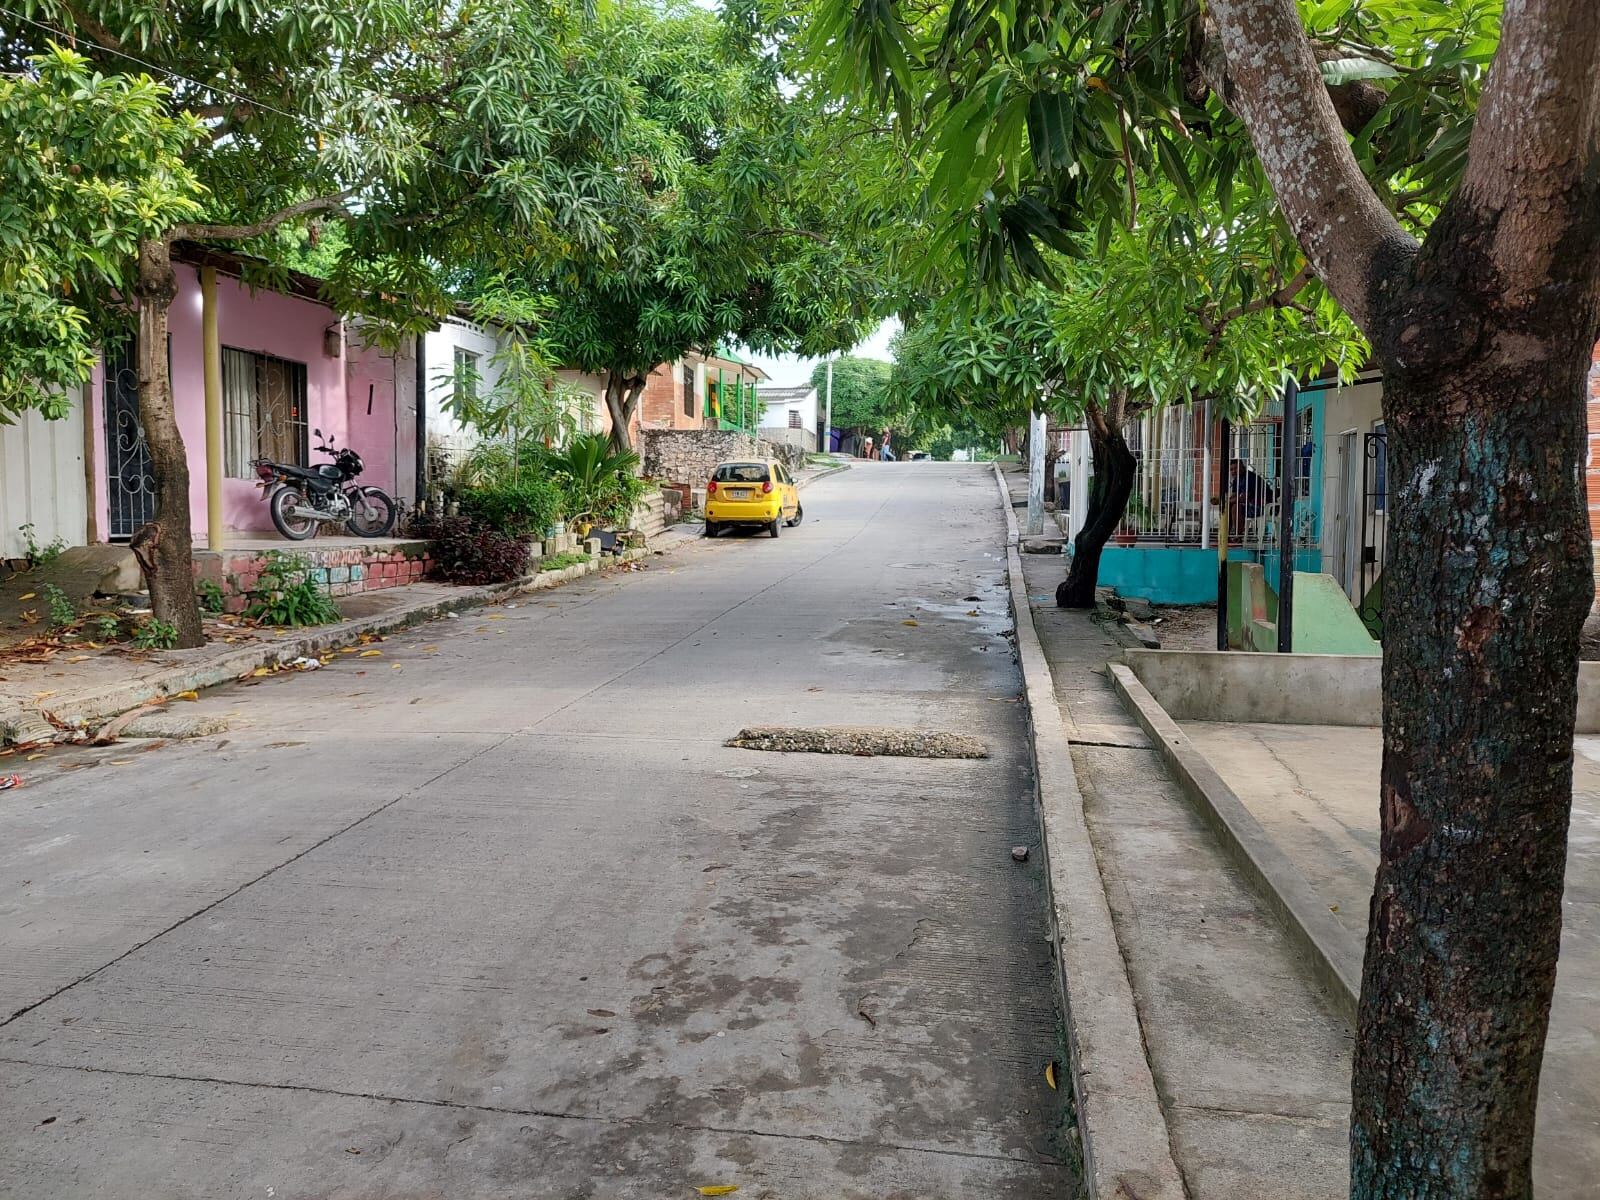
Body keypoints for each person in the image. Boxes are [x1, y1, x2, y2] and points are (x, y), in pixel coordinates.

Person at [1225, 459, 1275, 536]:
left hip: (1264, 507)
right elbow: (1234, 495)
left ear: (1242, 467)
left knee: (1236, 507)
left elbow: (1244, 498)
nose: (1233, 471)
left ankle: (1238, 536)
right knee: (1227, 506)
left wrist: (1229, 501)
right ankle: (1226, 535)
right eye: (1231, 469)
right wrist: (1226, 502)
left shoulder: (1250, 477)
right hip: (1251, 505)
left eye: (1235, 468)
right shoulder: (1236, 480)